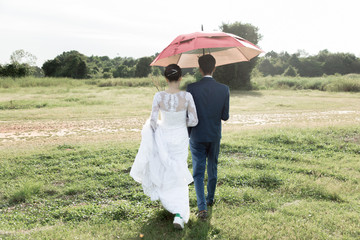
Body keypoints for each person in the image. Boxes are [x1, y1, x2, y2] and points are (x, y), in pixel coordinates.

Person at [130, 64, 198, 230]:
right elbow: (194, 121)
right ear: (180, 78)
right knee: (179, 170)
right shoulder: (187, 96)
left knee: (165, 170)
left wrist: (160, 126)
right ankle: (179, 214)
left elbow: (153, 121)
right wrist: (182, 121)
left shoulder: (158, 96)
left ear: (166, 78)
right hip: (181, 137)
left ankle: (171, 205)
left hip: (165, 137)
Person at [186, 54, 230, 220]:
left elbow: (187, 115)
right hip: (214, 134)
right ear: (215, 67)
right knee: (212, 168)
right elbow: (225, 116)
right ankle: (210, 199)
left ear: (199, 68)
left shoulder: (191, 88)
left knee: (198, 172)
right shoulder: (224, 89)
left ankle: (202, 207)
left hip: (196, 135)